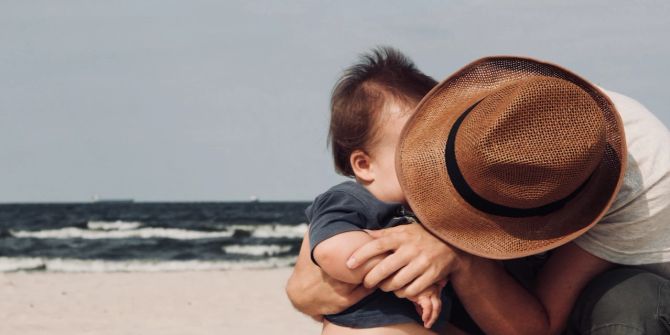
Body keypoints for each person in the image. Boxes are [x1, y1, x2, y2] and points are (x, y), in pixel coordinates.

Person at [286, 54, 670, 335]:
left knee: (633, 305)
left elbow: (539, 325)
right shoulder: (494, 118)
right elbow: (309, 287)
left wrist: (456, 255)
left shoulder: (648, 178)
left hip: (589, 295)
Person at [304, 47, 463, 334]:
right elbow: (334, 252)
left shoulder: (429, 212)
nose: (433, 163)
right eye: (417, 151)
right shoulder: (350, 199)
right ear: (364, 165)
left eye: (439, 149)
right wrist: (410, 282)